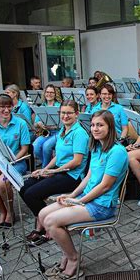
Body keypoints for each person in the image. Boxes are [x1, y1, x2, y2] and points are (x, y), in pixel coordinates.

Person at [38, 110, 128, 280]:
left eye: (100, 125)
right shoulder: (96, 147)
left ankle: (73, 259)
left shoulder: (117, 151)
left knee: (51, 221)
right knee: (43, 215)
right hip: (88, 199)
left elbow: (105, 186)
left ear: (110, 128)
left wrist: (79, 201)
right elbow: (89, 177)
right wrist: (71, 195)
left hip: (101, 206)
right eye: (93, 125)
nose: (95, 128)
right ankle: (67, 253)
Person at [21, 100, 89, 245]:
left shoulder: (80, 133)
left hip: (72, 176)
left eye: (69, 113)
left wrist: (53, 171)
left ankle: (46, 228)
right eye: (63, 113)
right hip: (59, 172)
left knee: (31, 194)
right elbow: (58, 156)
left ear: (76, 114)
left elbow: (77, 161)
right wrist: (45, 169)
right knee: (24, 187)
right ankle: (41, 221)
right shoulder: (62, 131)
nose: (65, 116)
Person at [0, 94, 30, 228]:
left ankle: (10, 212)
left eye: (9, 107)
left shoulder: (21, 123)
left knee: (2, 184)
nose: (6, 110)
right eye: (2, 107)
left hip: (15, 162)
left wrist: (10, 163)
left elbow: (25, 148)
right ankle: (2, 211)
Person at [32, 84, 62, 167]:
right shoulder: (42, 107)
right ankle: (50, 164)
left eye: (52, 92)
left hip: (58, 132)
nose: (49, 94)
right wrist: (39, 124)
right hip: (47, 132)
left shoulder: (59, 106)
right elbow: (35, 124)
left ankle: (44, 168)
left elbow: (63, 123)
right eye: (47, 92)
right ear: (44, 93)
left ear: (55, 94)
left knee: (46, 146)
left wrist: (54, 126)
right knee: (35, 146)